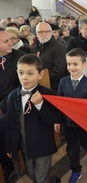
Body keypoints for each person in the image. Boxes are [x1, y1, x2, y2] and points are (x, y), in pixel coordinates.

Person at [5, 54, 58, 182]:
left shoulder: (48, 94)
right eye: (21, 73)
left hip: (42, 146)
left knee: (41, 178)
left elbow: (53, 119)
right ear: (17, 73)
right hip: (25, 146)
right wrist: (9, 146)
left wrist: (40, 104)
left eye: (30, 73)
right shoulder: (13, 96)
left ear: (40, 74)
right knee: (31, 175)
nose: (25, 77)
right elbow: (10, 122)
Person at [57, 48, 87, 183]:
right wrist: (57, 120)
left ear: (84, 65)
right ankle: (76, 170)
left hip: (83, 123)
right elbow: (59, 102)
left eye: (75, 64)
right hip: (68, 123)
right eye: (69, 64)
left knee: (86, 143)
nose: (71, 67)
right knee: (72, 148)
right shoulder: (63, 82)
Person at [0, 27, 25, 181]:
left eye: (11, 39)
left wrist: (2, 107)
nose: (11, 43)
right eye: (6, 41)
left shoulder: (20, 58)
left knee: (2, 125)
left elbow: (22, 88)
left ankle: (6, 164)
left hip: (14, 104)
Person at [31, 22, 67, 90]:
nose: (43, 34)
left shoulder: (60, 48)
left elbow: (58, 70)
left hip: (52, 86)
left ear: (51, 32)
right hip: (35, 84)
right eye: (40, 32)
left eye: (46, 31)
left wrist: (39, 80)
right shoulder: (33, 49)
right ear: (36, 34)